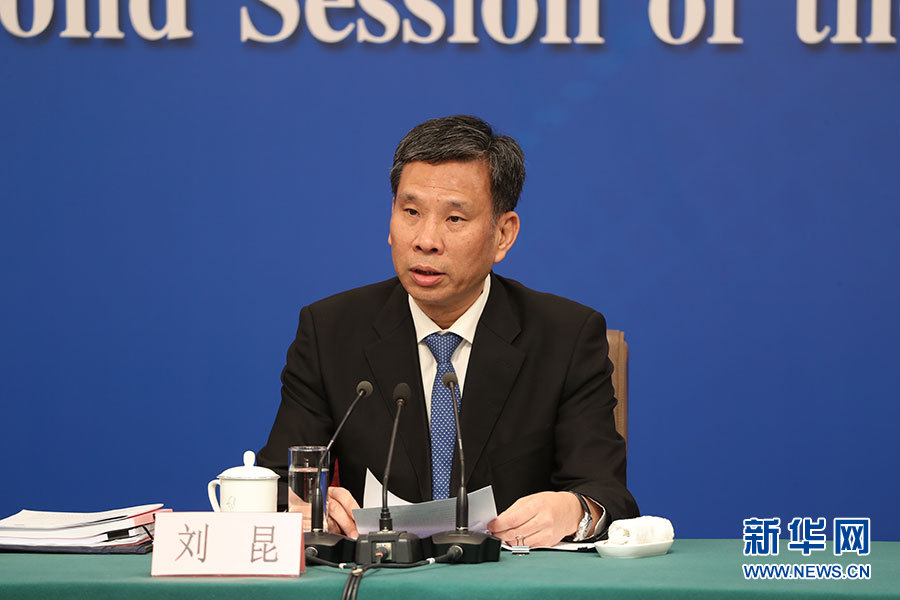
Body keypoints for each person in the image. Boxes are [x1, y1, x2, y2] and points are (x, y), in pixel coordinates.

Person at [258, 115, 638, 547]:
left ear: (503, 234)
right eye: (411, 212)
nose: (426, 240)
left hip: (512, 575)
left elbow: (607, 494)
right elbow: (278, 480)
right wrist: (305, 504)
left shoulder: (566, 336)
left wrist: (576, 511)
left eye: (454, 218)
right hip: (380, 575)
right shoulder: (331, 330)